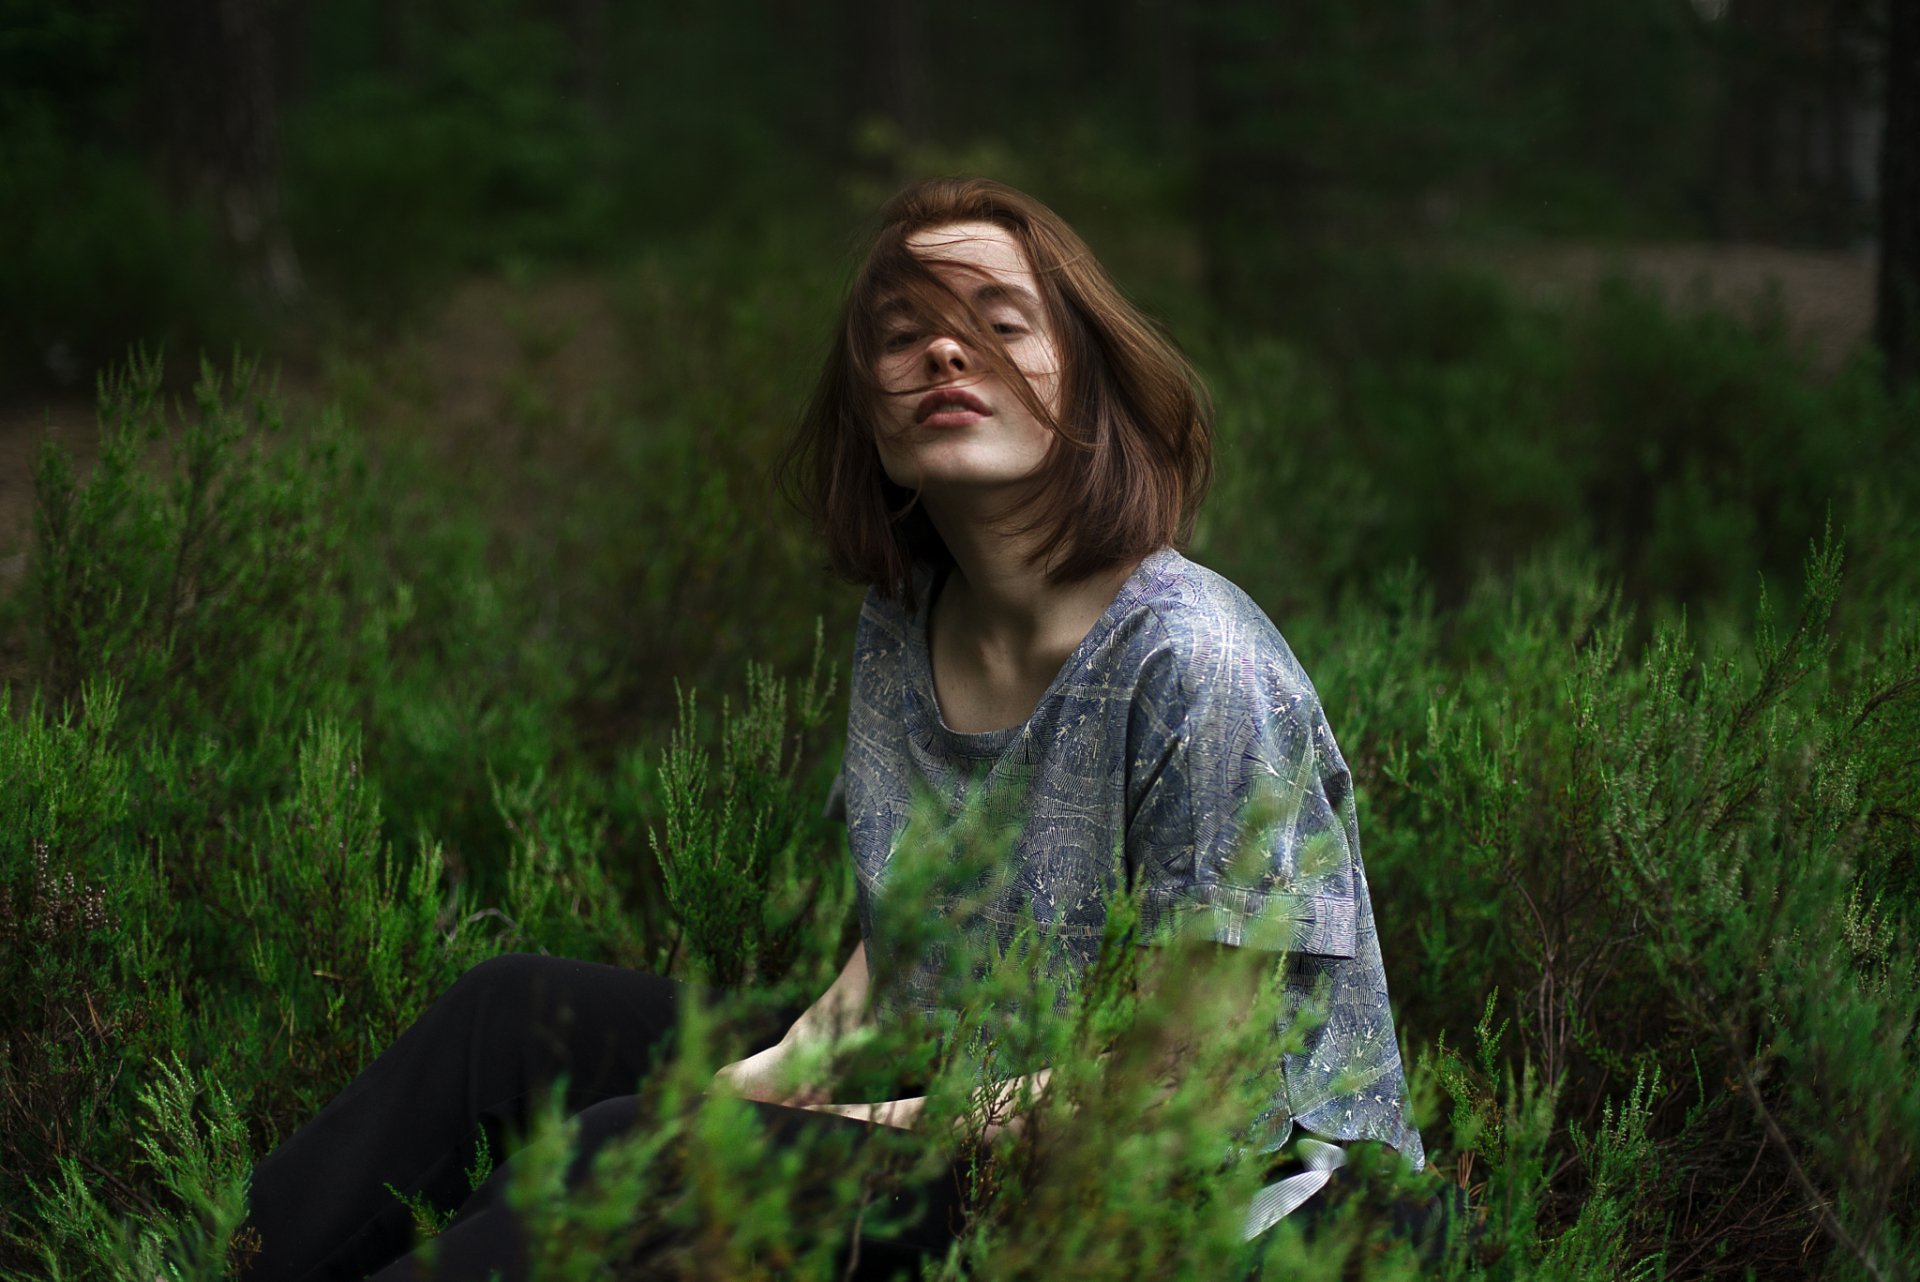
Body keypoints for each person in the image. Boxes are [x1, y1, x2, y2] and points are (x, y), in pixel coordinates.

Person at [241, 177, 1424, 1281]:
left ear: (1084, 379)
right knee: (510, 1019)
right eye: (905, 334)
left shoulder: (1195, 661)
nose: (946, 349)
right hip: (980, 1078)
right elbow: (903, 936)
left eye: (1001, 322)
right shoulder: (909, 621)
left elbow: (1184, 1089)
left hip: (1221, 1197)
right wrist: (780, 1069)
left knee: (642, 1157)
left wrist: (838, 1121)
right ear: (870, 410)